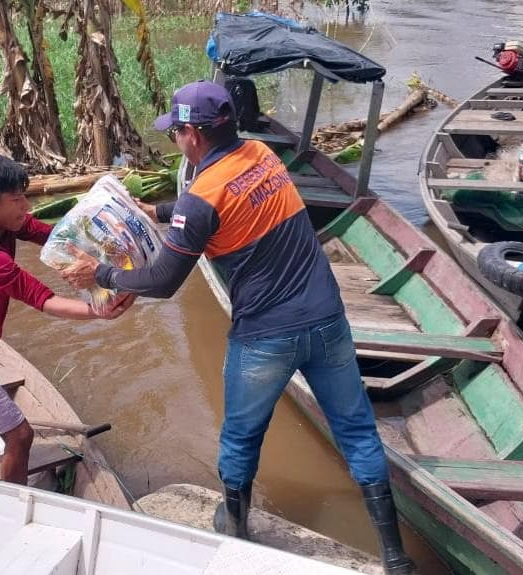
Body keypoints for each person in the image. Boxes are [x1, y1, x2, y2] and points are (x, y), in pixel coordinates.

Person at [61, 81, 413, 574]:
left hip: (266, 336)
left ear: (195, 136)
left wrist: (98, 273)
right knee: (357, 432)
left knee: (242, 438)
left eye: (177, 131)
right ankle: (396, 560)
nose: (176, 139)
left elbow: (162, 282)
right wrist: (159, 211)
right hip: (328, 320)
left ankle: (235, 527)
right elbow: (222, 206)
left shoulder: (200, 198)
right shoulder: (263, 155)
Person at [0, 153, 134, 486]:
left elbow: (55, 239)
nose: (25, 206)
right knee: (20, 437)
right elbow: (44, 300)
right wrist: (99, 311)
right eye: (16, 199)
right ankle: (15, 504)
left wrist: (98, 251)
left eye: (25, 196)